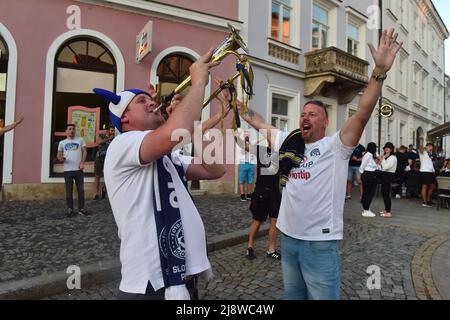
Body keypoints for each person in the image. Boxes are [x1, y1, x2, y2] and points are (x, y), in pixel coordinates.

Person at [238, 28, 401, 300]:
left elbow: (362, 114)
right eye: (303, 113)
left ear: (325, 122)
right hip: (288, 239)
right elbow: (259, 122)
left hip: (319, 243)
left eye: (313, 114)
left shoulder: (336, 146)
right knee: (293, 295)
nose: (306, 117)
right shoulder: (289, 142)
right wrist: (239, 105)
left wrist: (379, 73)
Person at [97, 50, 225, 300]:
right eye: (141, 101)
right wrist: (198, 83)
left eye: (150, 99)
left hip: (182, 280)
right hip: (151, 285)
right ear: (124, 117)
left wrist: (194, 124)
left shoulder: (169, 156)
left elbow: (215, 169)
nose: (151, 103)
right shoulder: (122, 145)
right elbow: (173, 131)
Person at [234, 132, 282, 260]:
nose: (273, 141)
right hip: (262, 191)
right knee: (258, 220)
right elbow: (244, 146)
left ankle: (271, 250)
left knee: (275, 220)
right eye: (271, 139)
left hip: (275, 192)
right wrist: (235, 137)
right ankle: (249, 247)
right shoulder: (261, 150)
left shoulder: (281, 154)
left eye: (275, 139)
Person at [57, 124, 87, 217]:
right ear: (66, 131)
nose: (72, 131)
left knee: (81, 190)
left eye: (73, 129)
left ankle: (81, 209)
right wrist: (60, 158)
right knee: (69, 191)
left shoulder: (80, 140)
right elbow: (59, 155)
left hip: (78, 170)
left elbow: (85, 151)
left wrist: (82, 162)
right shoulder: (62, 142)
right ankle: (70, 209)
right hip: (67, 170)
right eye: (69, 129)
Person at [93, 125, 115, 200]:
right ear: (107, 131)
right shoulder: (102, 135)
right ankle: (96, 193)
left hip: (109, 159)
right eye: (111, 130)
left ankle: (104, 189)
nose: (112, 132)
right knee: (97, 176)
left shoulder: (115, 138)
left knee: (109, 176)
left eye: (113, 131)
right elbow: (98, 142)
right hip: (99, 158)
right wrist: (108, 138)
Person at [359, 142, 380, 217]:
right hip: (368, 175)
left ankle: (366, 208)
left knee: (369, 192)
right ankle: (366, 209)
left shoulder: (370, 154)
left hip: (369, 174)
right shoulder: (368, 155)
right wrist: (361, 174)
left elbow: (377, 161)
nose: (376, 149)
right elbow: (363, 165)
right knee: (369, 193)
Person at [379, 142, 397, 218]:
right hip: (385, 176)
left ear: (391, 149)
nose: (386, 149)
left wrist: (382, 159)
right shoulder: (388, 156)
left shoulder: (392, 157)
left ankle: (388, 212)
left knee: (386, 194)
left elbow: (386, 167)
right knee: (384, 193)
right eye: (385, 148)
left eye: (388, 148)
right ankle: (386, 210)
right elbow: (381, 166)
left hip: (388, 176)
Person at [237, 130, 256, 201]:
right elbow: (243, 147)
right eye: (245, 135)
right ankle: (242, 195)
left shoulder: (252, 142)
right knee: (242, 180)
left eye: (248, 135)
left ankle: (249, 194)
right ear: (243, 136)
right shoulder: (241, 143)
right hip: (243, 163)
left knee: (250, 181)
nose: (247, 136)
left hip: (251, 164)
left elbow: (257, 141)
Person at [418, 137, 437, 207]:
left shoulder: (430, 154)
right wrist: (421, 141)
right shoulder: (423, 152)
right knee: (424, 186)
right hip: (425, 171)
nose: (431, 148)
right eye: (429, 146)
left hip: (430, 172)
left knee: (433, 186)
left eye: (431, 147)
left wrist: (433, 170)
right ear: (426, 147)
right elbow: (420, 147)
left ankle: (428, 200)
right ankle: (424, 202)